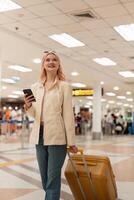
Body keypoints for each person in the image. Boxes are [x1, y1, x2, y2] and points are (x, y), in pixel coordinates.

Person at [24, 51, 78, 200]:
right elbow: (35, 114)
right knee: (45, 179)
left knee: (53, 179)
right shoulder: (36, 87)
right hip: (39, 136)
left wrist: (71, 141)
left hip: (57, 137)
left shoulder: (64, 87)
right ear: (43, 65)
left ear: (58, 64)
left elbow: (68, 115)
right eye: (47, 60)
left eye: (54, 60)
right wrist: (28, 106)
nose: (51, 62)